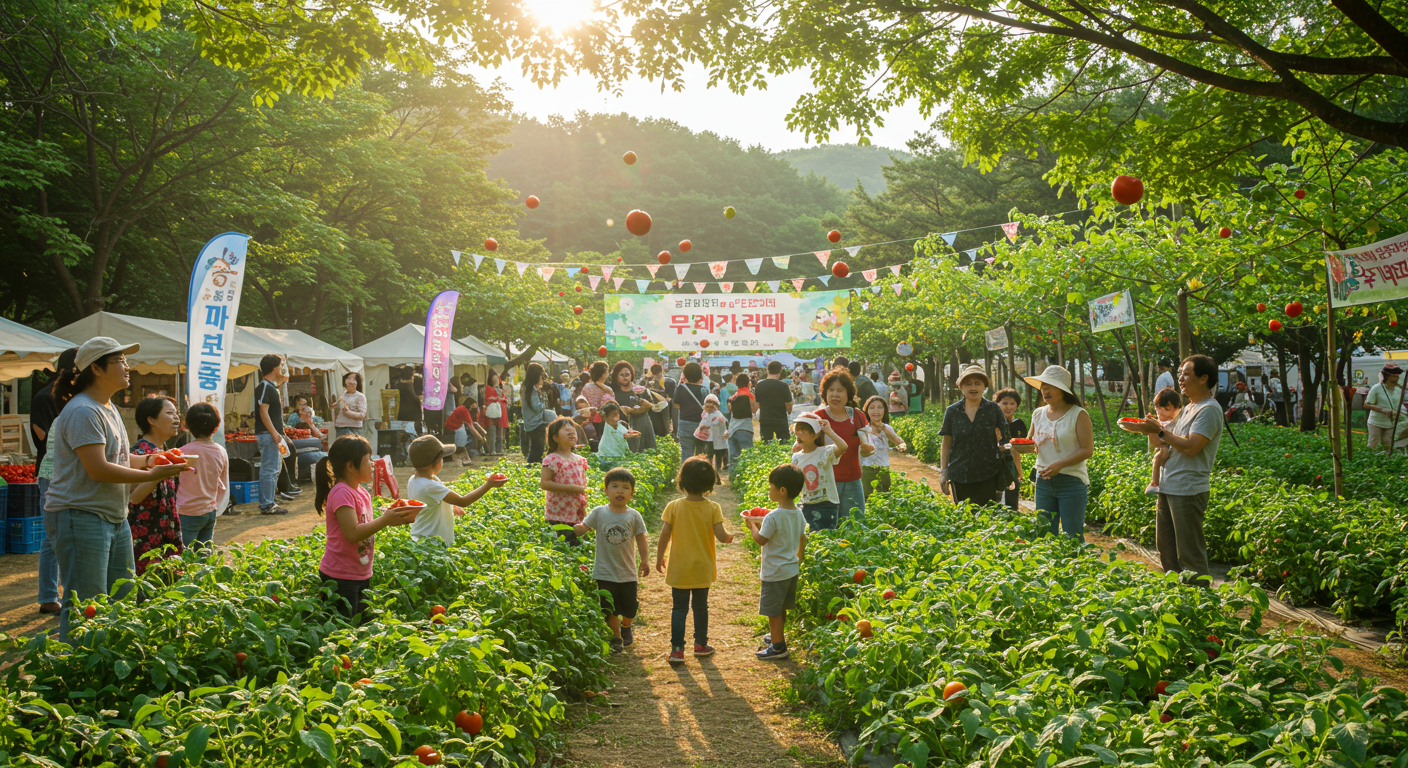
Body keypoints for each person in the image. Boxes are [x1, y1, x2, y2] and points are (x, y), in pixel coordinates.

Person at [45, 337, 188, 643]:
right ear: (96, 368)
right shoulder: (83, 411)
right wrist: (156, 471)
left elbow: (120, 458)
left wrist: (150, 459)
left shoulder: (107, 407)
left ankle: (112, 663)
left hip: (113, 516)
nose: (128, 367)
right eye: (120, 361)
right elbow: (97, 469)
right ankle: (78, 670)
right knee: (87, 605)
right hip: (81, 515)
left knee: (123, 597)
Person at [1120, 355, 1224, 584]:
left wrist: (1158, 431)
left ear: (1204, 378)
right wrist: (1148, 428)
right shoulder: (1188, 408)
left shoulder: (1208, 410)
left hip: (1187, 489)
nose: (1181, 379)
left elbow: (1191, 447)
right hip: (1169, 486)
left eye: (1186, 373)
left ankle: (1201, 602)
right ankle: (1178, 598)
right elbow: (1165, 442)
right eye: (1180, 373)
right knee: (1166, 548)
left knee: (1189, 553)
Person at [315, 434, 416, 623]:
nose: (372, 465)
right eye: (368, 460)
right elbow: (352, 534)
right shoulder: (342, 493)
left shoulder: (361, 491)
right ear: (350, 466)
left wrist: (394, 519)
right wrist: (384, 520)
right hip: (340, 574)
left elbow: (365, 525)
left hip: (359, 571)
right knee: (344, 627)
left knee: (362, 622)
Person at [656, 457, 733, 665]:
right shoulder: (713, 508)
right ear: (709, 484)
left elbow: (664, 534)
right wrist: (729, 537)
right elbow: (721, 535)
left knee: (679, 608)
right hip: (702, 567)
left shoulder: (674, 506)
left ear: (682, 481)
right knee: (701, 607)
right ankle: (700, 645)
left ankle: (677, 650)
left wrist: (659, 556)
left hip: (679, 567)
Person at [572, 468, 650, 654]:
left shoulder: (633, 515)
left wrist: (645, 560)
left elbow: (641, 538)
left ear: (632, 493)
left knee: (630, 607)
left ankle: (626, 625)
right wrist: (574, 526)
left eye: (625, 487)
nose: (620, 491)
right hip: (604, 571)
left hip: (627, 572)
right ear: (606, 490)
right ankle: (616, 637)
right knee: (609, 608)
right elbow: (584, 528)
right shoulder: (599, 512)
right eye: (615, 486)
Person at [30, 346, 78, 615]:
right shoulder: (45, 397)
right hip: (52, 473)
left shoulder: (78, 397)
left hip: (75, 471)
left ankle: (64, 595)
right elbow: (43, 438)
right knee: (51, 538)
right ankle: (49, 597)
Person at [745, 464, 808, 661]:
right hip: (790, 569)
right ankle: (776, 636)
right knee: (781, 607)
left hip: (775, 572)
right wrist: (799, 558)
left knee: (773, 610)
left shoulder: (773, 516)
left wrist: (753, 526)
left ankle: (778, 647)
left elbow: (761, 540)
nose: (769, 489)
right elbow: (802, 538)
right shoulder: (798, 512)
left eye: (771, 486)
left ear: (782, 490)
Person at [1024, 366, 1094, 540]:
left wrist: (1060, 465)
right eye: (1043, 386)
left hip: (1071, 482)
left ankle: (1077, 568)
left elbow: (1087, 450)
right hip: (1043, 482)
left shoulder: (1078, 414)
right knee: (1044, 535)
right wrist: (1011, 446)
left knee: (1073, 536)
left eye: (1050, 386)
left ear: (1062, 389)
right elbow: (1030, 443)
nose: (1045, 390)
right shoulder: (1038, 414)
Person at [406, 435, 506, 545]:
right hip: (431, 542)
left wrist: (451, 505)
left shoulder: (415, 480)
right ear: (436, 463)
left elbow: (432, 500)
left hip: (422, 537)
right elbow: (463, 501)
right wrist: (488, 484)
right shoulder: (429, 485)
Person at [129, 395, 186, 575]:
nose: (176, 418)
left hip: (167, 531)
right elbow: (133, 497)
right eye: (170, 413)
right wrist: (158, 473)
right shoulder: (139, 454)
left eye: (177, 414)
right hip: (145, 536)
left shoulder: (165, 452)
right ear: (151, 419)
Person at [938, 364, 1010, 506]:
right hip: (960, 473)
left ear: (984, 387)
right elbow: (946, 443)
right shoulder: (952, 411)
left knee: (986, 517)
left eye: (978, 383)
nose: (973, 387)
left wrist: (1004, 447)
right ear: (961, 387)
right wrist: (944, 472)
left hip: (988, 473)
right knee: (965, 517)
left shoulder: (993, 409)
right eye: (968, 384)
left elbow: (1006, 437)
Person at [808, 369, 872, 520]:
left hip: (853, 480)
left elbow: (865, 445)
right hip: (824, 481)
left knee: (855, 523)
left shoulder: (857, 416)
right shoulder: (817, 418)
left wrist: (867, 449)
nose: (835, 394)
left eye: (840, 390)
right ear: (824, 393)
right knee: (826, 526)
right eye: (830, 390)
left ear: (848, 393)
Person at [174, 403, 227, 552]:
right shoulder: (221, 451)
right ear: (216, 427)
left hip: (187, 512)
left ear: (187, 426)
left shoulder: (182, 452)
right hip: (210, 510)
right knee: (204, 553)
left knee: (186, 555)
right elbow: (223, 481)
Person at [541, 417, 589, 545]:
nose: (571, 433)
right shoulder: (552, 459)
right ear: (555, 438)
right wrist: (572, 488)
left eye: (573, 431)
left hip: (576, 512)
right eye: (566, 431)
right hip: (559, 515)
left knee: (575, 546)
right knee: (564, 546)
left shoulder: (580, 459)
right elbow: (544, 483)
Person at [791, 412, 843, 531]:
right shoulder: (796, 457)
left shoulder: (825, 452)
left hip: (826, 503)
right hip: (806, 503)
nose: (799, 434)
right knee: (809, 537)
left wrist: (829, 431)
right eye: (797, 430)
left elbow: (843, 447)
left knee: (825, 537)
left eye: (803, 431)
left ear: (816, 435)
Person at [252, 354, 291, 515]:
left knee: (274, 468)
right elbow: (263, 412)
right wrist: (275, 434)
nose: (282, 368)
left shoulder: (270, 386)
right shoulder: (264, 387)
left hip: (272, 434)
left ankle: (269, 501)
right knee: (269, 469)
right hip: (269, 434)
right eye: (281, 365)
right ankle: (267, 504)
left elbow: (284, 378)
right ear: (275, 367)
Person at [859, 396, 906, 498]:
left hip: (884, 470)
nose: (876, 411)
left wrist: (882, 426)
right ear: (867, 411)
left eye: (880, 407)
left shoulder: (887, 428)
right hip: (866, 471)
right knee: (866, 501)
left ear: (885, 410)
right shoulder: (862, 429)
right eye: (872, 408)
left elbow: (899, 441)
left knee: (884, 500)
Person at [608, 361, 656, 452]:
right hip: (621, 428)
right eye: (621, 375)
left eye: (627, 374)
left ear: (632, 375)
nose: (625, 377)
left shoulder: (640, 390)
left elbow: (651, 405)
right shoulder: (612, 393)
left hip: (642, 425)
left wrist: (638, 409)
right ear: (616, 376)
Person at [1144, 387, 1184, 496]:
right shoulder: (1161, 422)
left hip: (1175, 450)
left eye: (1166, 409)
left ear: (1177, 409)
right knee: (1158, 457)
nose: (1161, 413)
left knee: (1159, 457)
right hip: (1163, 446)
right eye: (1158, 409)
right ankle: (1154, 482)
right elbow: (1155, 440)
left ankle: (1154, 482)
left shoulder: (1178, 421)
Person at [993, 388, 1026, 509]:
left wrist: (1019, 472)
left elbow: (1016, 451)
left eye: (1012, 404)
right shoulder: (992, 423)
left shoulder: (1017, 425)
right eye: (1005, 403)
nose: (1008, 407)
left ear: (1017, 406)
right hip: (993, 469)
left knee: (1011, 504)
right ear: (997, 404)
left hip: (1010, 468)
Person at [672, 362, 710, 460]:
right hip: (701, 425)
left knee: (686, 452)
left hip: (685, 424)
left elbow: (676, 405)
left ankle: (685, 474)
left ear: (684, 375)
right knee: (701, 453)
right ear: (700, 375)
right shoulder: (704, 390)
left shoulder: (681, 388)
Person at [519, 362, 554, 464]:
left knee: (536, 447)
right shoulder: (531, 389)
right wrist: (543, 403)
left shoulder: (525, 387)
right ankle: (532, 467)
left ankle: (532, 466)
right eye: (540, 375)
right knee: (537, 449)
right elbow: (537, 407)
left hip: (530, 422)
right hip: (536, 422)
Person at [1366, 364, 1404, 450]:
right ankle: (1370, 460)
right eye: (1394, 376)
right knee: (1373, 443)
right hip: (1376, 422)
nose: (1397, 378)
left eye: (1397, 376)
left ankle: (1388, 461)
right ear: (1387, 376)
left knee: (1388, 445)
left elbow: (1399, 405)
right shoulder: (1376, 388)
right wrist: (1382, 410)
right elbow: (1367, 404)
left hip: (1390, 423)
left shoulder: (1398, 390)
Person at [754, 361, 794, 442]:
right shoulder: (783, 386)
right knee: (784, 443)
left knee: (767, 445)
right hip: (780, 420)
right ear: (780, 371)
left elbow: (757, 405)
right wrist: (789, 411)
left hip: (765, 420)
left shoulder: (759, 385)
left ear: (767, 370)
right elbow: (789, 405)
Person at [727, 373, 760, 465]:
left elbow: (730, 409)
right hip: (744, 429)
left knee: (734, 458)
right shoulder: (749, 395)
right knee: (747, 457)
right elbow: (755, 409)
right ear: (748, 383)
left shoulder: (733, 396)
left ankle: (733, 477)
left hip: (732, 429)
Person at [697, 394, 730, 479]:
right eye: (708, 402)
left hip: (718, 440)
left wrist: (705, 427)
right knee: (709, 457)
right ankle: (711, 474)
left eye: (713, 403)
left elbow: (712, 423)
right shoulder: (705, 414)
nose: (710, 405)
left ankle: (716, 474)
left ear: (716, 406)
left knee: (717, 458)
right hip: (709, 440)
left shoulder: (718, 414)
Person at [481, 369, 509, 456]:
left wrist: (500, 399)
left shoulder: (500, 388)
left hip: (501, 411)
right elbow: (490, 399)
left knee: (500, 431)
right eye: (494, 377)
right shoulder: (489, 388)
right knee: (492, 429)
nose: (496, 379)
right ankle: (492, 450)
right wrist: (500, 399)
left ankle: (499, 449)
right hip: (492, 412)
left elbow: (503, 398)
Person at [331, 372, 367, 437]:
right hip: (340, 428)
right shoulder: (343, 396)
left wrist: (347, 412)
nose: (351, 382)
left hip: (353, 429)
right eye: (348, 379)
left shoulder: (360, 396)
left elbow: (362, 415)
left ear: (357, 383)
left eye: (354, 379)